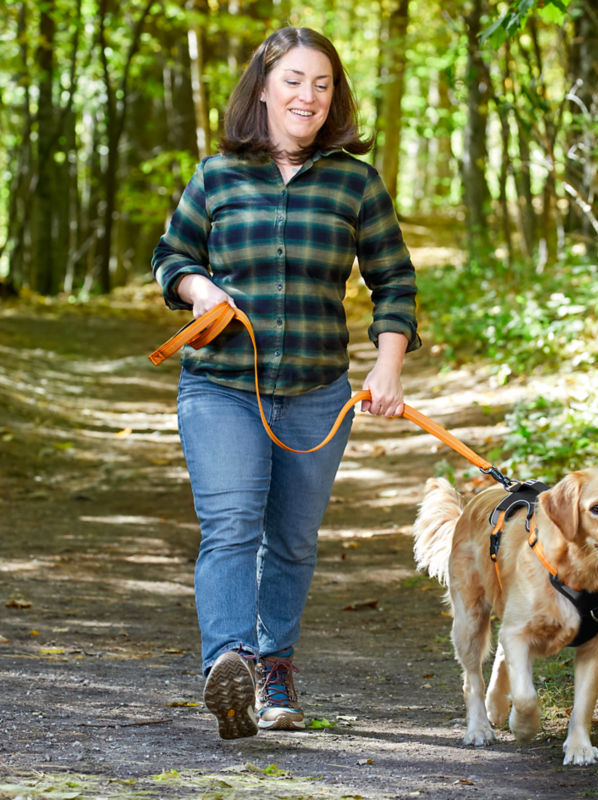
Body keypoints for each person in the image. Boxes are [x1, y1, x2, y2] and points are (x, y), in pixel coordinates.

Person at [151, 26, 420, 740]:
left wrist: (387, 365)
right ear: (265, 87)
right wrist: (200, 287)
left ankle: (275, 671)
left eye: (322, 84)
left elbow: (393, 279)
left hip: (317, 393)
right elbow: (171, 256)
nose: (308, 95)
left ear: (334, 99)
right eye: (294, 80)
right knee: (233, 525)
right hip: (222, 387)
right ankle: (230, 663)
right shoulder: (216, 175)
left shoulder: (354, 182)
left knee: (294, 541)